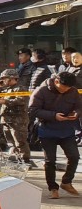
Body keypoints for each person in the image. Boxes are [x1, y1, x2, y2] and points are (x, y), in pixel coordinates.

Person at [29, 71, 82, 199]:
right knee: (50, 160)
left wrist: (76, 113)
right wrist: (53, 116)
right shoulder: (41, 91)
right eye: (64, 87)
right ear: (56, 81)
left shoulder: (73, 91)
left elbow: (79, 106)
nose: (66, 90)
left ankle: (66, 182)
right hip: (47, 130)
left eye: (68, 88)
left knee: (74, 156)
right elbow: (32, 110)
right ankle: (53, 187)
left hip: (66, 129)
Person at [0, 69, 32, 166]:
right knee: (10, 142)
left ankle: (25, 160)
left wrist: (6, 102)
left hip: (17, 120)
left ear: (12, 78)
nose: (3, 81)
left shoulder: (20, 88)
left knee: (20, 141)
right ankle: (16, 159)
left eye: (5, 78)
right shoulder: (6, 89)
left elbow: (21, 101)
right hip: (6, 119)